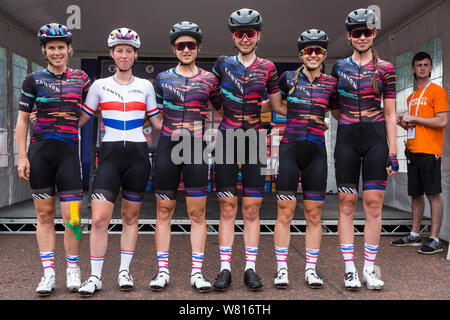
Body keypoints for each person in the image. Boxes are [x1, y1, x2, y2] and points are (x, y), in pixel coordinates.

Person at [77, 27, 162, 296]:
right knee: (100, 219)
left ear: (135, 55)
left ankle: (124, 271)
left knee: (129, 217)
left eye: (129, 51)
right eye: (119, 50)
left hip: (138, 156)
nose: (124, 55)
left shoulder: (146, 86)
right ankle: (95, 276)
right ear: (112, 54)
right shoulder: (99, 86)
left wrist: (189, 123)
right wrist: (47, 121)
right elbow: (82, 118)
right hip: (110, 156)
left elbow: (158, 122)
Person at [16, 23, 91, 296]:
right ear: (44, 51)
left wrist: (73, 123)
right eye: (51, 48)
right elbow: (22, 120)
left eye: (61, 47)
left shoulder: (81, 79)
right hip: (40, 154)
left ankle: (73, 269)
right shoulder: (32, 80)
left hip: (69, 154)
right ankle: (48, 274)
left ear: (69, 49)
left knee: (73, 218)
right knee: (44, 216)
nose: (57, 52)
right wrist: (22, 157)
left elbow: (89, 111)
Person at [149, 21, 222, 293]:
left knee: (197, 213)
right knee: (163, 211)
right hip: (168, 145)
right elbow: (152, 116)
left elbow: (226, 111)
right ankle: (162, 271)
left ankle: (197, 273)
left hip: (196, 148)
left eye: (191, 45)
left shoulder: (210, 79)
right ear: (174, 49)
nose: (187, 49)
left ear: (198, 47)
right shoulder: (163, 78)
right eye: (181, 45)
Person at [263, 29, 337, 289]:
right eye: (308, 50)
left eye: (318, 50)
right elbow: (274, 105)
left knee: (314, 215)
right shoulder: (287, 78)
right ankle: (281, 270)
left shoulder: (331, 83)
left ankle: (311, 270)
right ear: (301, 54)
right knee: (284, 213)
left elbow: (339, 113)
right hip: (290, 151)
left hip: (317, 152)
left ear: (324, 54)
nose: (313, 54)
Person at [212, 8, 280, 291]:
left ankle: (250, 268)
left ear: (258, 35)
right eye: (240, 34)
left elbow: (276, 106)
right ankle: (225, 268)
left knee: (252, 209)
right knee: (227, 208)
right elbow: (213, 97)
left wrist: (307, 114)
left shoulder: (268, 68)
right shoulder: (222, 64)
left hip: (254, 140)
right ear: (233, 36)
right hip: (227, 139)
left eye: (250, 33)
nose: (245, 38)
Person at [330, 8, 398, 290]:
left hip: (375, 140)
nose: (361, 37)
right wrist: (348, 120)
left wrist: (393, 153)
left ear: (374, 34)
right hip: (346, 139)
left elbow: (392, 113)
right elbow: (333, 108)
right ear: (348, 36)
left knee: (373, 205)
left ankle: (369, 269)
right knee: (346, 204)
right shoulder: (338, 67)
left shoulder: (386, 68)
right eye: (356, 33)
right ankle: (349, 270)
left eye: (366, 32)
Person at [392, 51, 448, 254]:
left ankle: (435, 239)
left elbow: (442, 121)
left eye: (426, 65)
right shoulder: (412, 96)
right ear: (413, 69)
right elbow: (415, 126)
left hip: (430, 150)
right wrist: (403, 123)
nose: (422, 68)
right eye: (419, 65)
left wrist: (414, 118)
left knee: (433, 194)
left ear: (431, 68)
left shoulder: (437, 91)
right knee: (416, 194)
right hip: (414, 150)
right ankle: (415, 234)